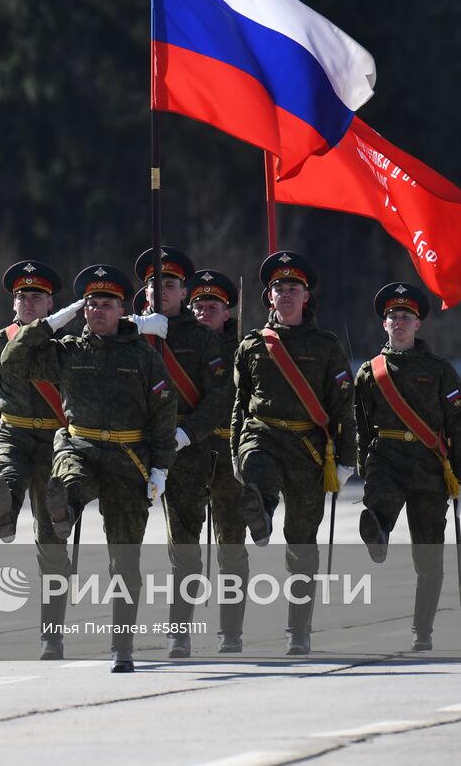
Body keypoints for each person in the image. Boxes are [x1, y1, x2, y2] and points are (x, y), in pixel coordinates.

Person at [2, 264, 177, 673]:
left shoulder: (143, 357)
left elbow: (164, 413)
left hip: (128, 459)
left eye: (107, 304)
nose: (99, 310)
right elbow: (13, 361)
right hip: (79, 445)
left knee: (125, 558)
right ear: (83, 311)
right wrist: (51, 321)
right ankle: (65, 508)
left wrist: (161, 468)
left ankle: (122, 646)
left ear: (122, 310)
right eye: (92, 304)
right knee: (67, 479)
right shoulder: (68, 351)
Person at [230, 251, 356, 655]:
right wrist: (236, 449)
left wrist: (348, 459)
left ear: (306, 297)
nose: (286, 294)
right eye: (279, 288)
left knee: (302, 543)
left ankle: (298, 631)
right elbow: (239, 403)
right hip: (262, 433)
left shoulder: (326, 346)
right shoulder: (251, 344)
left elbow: (342, 405)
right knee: (257, 473)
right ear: (268, 297)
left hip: (308, 448)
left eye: (293, 288)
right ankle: (260, 515)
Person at [354, 281, 461, 652]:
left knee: (428, 555)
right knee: (380, 502)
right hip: (387, 457)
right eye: (393, 316)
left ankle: (422, 631)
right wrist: (360, 465)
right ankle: (377, 531)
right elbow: (359, 424)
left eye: (406, 316)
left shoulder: (440, 371)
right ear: (385, 325)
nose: (400, 322)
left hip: (429, 466)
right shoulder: (368, 372)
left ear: (419, 324)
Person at [0, 260, 75, 659]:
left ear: (50, 302)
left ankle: (52, 634)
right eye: (21, 296)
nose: (28, 303)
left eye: (36, 296)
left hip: (54, 438)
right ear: (13, 302)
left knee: (52, 545)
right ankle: (5, 509)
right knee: (6, 469)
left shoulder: (67, 345)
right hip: (13, 429)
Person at [131, 247, 221, 658]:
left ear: (183, 291)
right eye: (153, 283)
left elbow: (222, 395)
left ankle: (179, 630)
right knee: (123, 541)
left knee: (183, 544)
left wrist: (187, 434)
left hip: (186, 448)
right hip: (132, 446)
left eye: (169, 284)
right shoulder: (127, 330)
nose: (160, 290)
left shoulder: (203, 339)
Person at [186, 268, 249, 652]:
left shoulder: (243, 348)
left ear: (227, 313)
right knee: (184, 549)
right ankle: (180, 631)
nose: (204, 311)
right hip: (189, 454)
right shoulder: (178, 346)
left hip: (228, 454)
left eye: (213, 306)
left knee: (230, 548)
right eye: (198, 304)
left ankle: (230, 632)